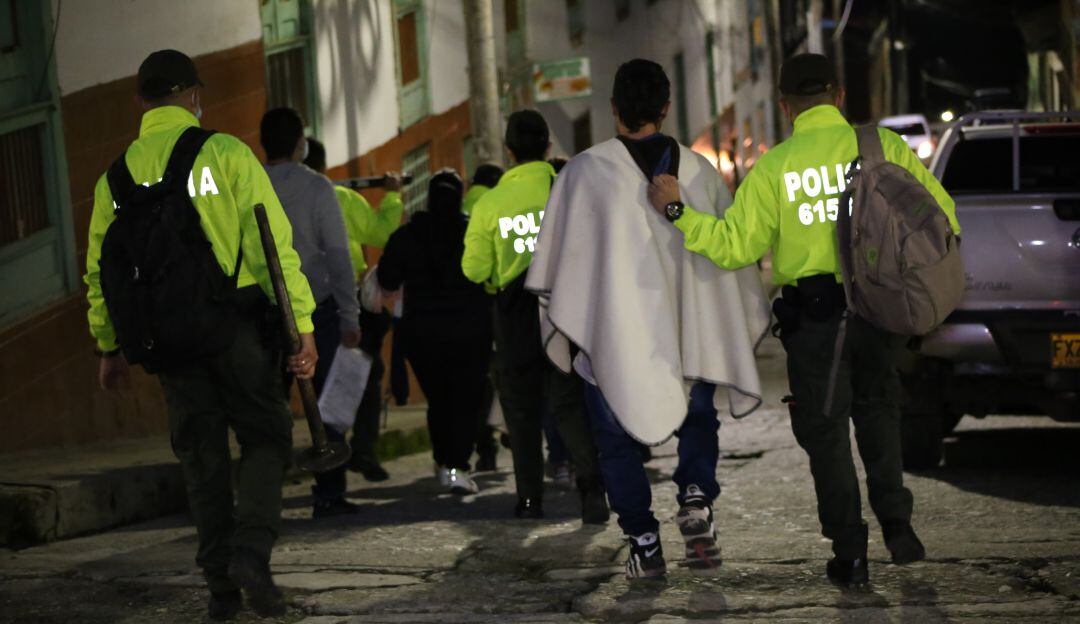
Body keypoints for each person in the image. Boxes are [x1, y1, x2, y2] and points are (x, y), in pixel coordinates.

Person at [646, 53, 960, 587]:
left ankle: (850, 554)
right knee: (880, 413)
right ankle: (898, 525)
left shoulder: (775, 168)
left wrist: (677, 211)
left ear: (786, 107)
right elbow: (942, 217)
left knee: (826, 433)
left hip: (816, 322)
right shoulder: (882, 146)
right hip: (882, 311)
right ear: (838, 96)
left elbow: (733, 246)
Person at [85, 50, 316, 619]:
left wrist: (109, 347)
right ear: (193, 95)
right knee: (266, 438)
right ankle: (251, 555)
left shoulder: (112, 181)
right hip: (236, 332)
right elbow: (270, 246)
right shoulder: (225, 153)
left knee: (202, 460)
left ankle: (220, 590)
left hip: (169, 344)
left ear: (139, 102)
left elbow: (100, 272)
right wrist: (301, 326)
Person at [526, 59, 770, 579]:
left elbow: (560, 267)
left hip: (613, 338)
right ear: (666, 107)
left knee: (614, 440)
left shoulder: (582, 173)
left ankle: (643, 542)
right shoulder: (699, 171)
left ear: (613, 107)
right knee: (698, 418)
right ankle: (696, 498)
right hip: (691, 332)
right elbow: (729, 255)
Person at [462, 110, 608, 524]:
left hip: (514, 314)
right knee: (569, 405)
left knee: (521, 410)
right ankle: (592, 491)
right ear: (548, 147)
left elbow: (473, 269)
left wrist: (498, 275)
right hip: (564, 309)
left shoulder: (490, 203)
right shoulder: (566, 190)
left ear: (508, 152)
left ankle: (529, 501)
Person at [261, 108, 361, 519]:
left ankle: (264, 497)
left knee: (267, 407)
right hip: (316, 311)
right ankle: (329, 493)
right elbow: (338, 254)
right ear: (300, 143)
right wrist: (350, 313)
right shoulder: (317, 187)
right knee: (329, 404)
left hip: (263, 315)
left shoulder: (250, 184)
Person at [377, 170, 493, 494]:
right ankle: (456, 466)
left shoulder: (407, 235)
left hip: (422, 334)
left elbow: (387, 278)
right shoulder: (473, 233)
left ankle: (445, 463)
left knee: (439, 400)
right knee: (467, 400)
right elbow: (491, 273)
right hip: (470, 331)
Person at [303, 138, 404, 482]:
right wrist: (392, 196)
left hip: (296, 303)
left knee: (319, 381)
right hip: (344, 301)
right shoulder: (339, 198)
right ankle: (359, 453)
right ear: (322, 165)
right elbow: (383, 233)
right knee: (365, 372)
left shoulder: (275, 197)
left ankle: (331, 466)